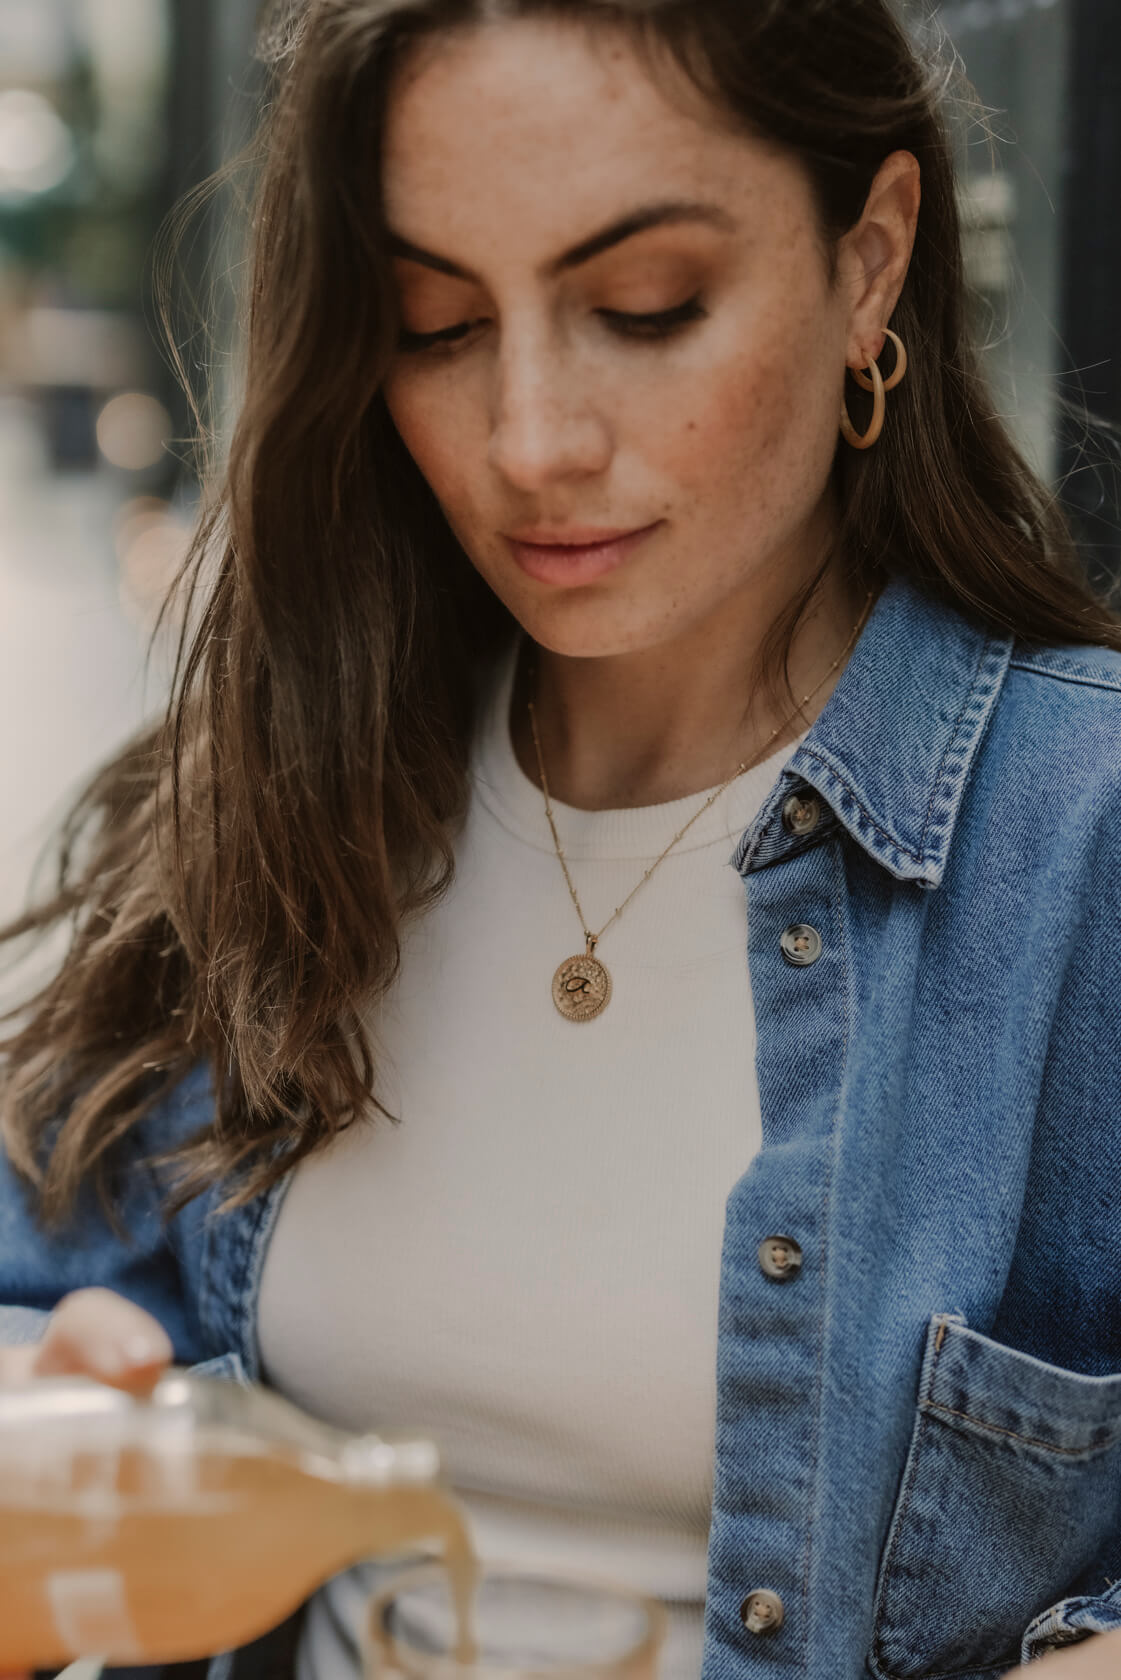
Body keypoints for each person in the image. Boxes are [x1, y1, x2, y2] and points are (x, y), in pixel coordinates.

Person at [1, 1, 1120, 1677]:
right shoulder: (299, 778)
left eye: (642, 308)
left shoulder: (1075, 837)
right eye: (436, 323)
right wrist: (49, 1387)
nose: (529, 441)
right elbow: (44, 1285)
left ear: (869, 261)